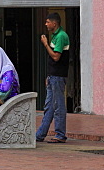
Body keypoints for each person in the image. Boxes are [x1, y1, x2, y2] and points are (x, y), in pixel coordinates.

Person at [35, 12, 71, 144]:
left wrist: (45, 44)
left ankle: (60, 134)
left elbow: (56, 57)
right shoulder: (56, 36)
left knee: (58, 105)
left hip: (58, 76)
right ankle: (40, 134)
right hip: (53, 76)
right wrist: (48, 76)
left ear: (54, 23)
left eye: (47, 22)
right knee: (49, 105)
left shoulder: (61, 36)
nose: (46, 24)